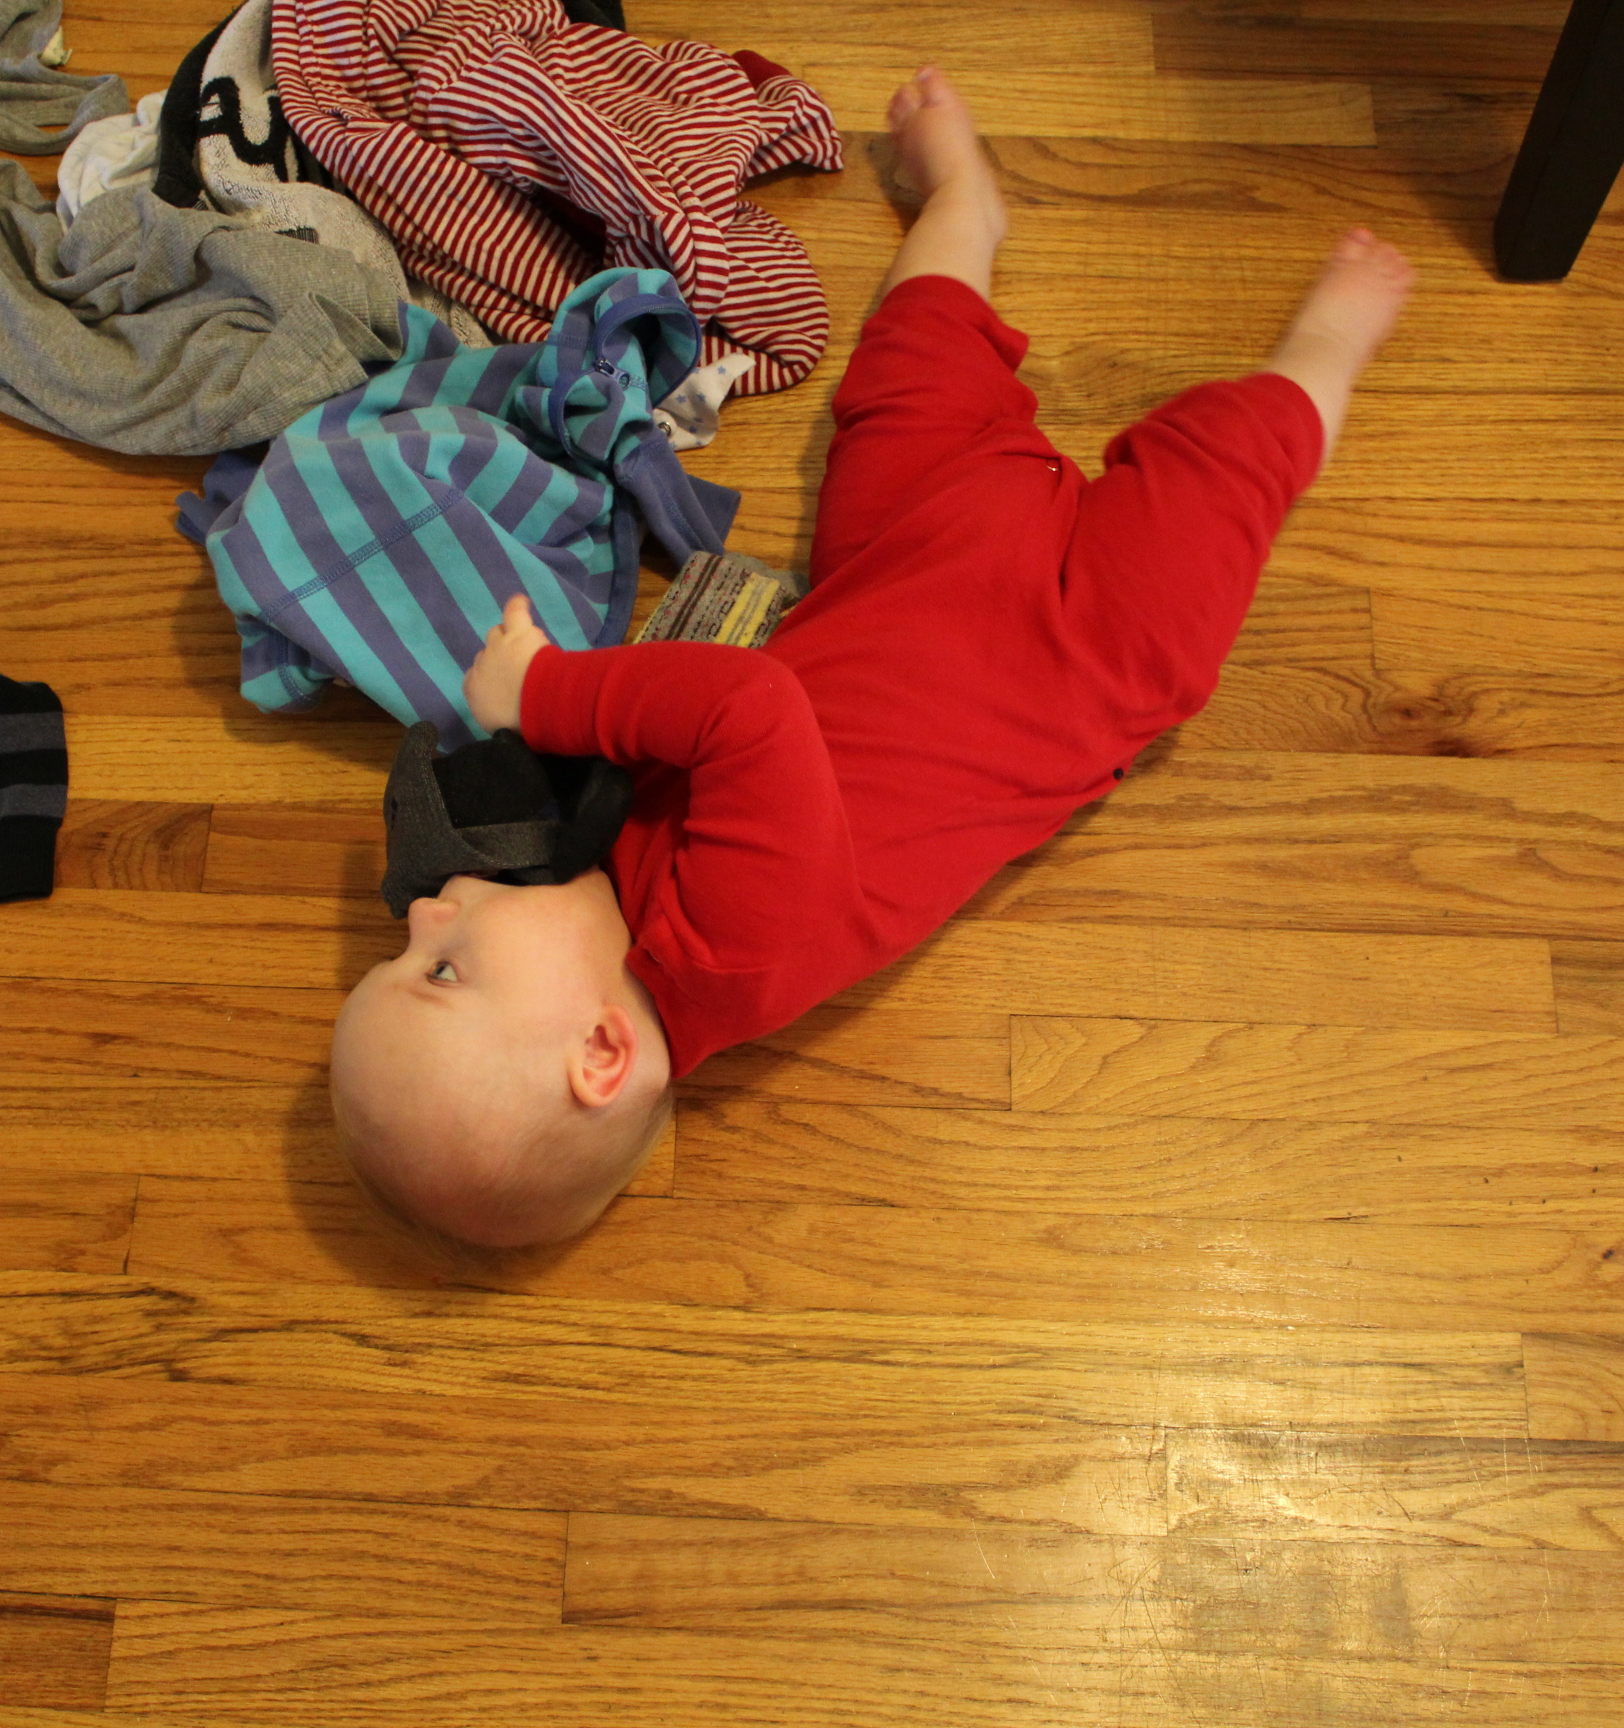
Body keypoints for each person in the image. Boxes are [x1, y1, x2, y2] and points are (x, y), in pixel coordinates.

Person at [327, 67, 1413, 1250]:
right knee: (1224, 481)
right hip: (1081, 649)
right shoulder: (729, 949)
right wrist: (542, 695)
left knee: (905, 374)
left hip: (899, 563)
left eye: (407, 946)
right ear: (601, 1049)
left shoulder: (628, 902)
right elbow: (745, 711)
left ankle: (964, 211)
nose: (423, 911)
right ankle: (1324, 354)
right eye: (441, 970)